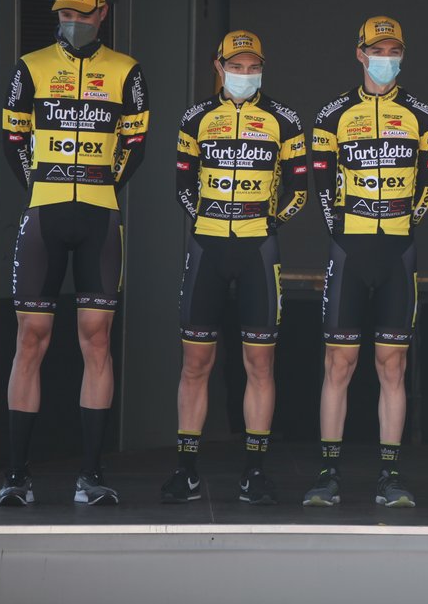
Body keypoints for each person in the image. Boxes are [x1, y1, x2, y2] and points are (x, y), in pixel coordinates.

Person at [0, 0, 150, 506]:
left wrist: (103, 185)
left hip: (99, 218)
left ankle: (91, 475)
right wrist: (41, 185)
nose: (73, 22)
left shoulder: (127, 71)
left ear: (102, 13)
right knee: (30, 339)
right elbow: (13, 137)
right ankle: (16, 476)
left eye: (82, 14)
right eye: (65, 13)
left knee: (97, 339)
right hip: (44, 212)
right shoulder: (30, 67)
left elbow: (136, 143)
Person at [160, 30, 308, 506]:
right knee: (195, 362)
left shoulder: (284, 119)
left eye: (253, 66)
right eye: (237, 66)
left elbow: (300, 190)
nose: (246, 74)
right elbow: (182, 185)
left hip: (258, 250)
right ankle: (186, 471)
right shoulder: (196, 118)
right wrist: (206, 218)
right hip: (206, 247)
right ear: (218, 67)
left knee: (259, 363)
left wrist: (270, 222)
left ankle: (255, 471)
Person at [305, 16, 428, 508]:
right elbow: (322, 186)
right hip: (350, 248)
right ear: (360, 53)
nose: (386, 59)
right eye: (378, 50)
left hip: (398, 250)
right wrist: (344, 230)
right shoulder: (332, 114)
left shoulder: (424, 116)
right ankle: (328, 474)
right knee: (338, 364)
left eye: (394, 51)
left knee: (393, 365)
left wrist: (404, 223)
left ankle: (390, 475)